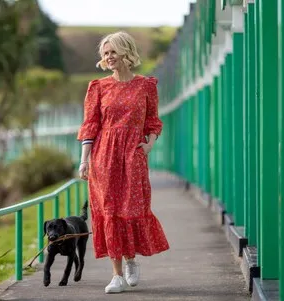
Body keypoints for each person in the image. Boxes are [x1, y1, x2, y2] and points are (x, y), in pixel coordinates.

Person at [77, 31, 170, 294]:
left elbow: (153, 120)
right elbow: (90, 126)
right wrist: (84, 161)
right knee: (109, 212)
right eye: (105, 53)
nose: (108, 57)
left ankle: (131, 259)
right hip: (104, 156)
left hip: (133, 155)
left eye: (113, 51)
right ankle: (116, 274)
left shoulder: (146, 86)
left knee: (130, 210)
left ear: (126, 53)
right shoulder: (98, 87)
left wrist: (150, 144)